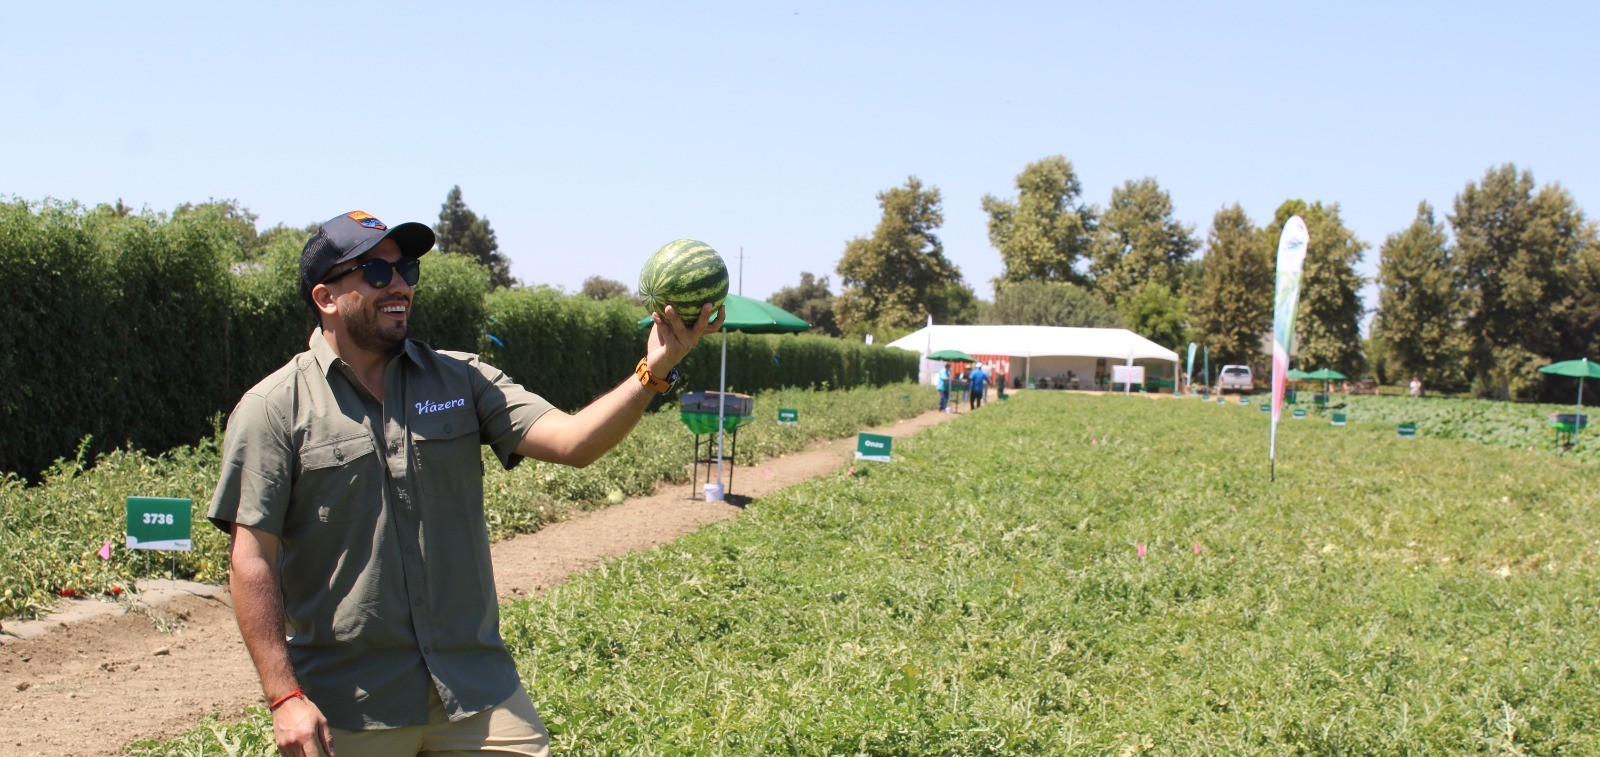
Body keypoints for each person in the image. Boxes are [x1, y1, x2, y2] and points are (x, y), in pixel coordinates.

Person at [207, 210, 721, 757]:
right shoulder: (274, 408)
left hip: (473, 687)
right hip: (351, 702)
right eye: (376, 273)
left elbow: (574, 442)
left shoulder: (461, 378)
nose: (399, 284)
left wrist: (654, 369)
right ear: (325, 297)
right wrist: (284, 696)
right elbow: (252, 559)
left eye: (406, 270)